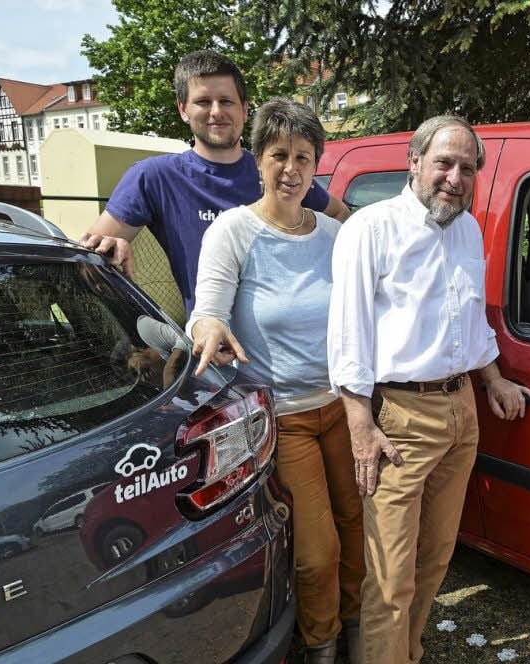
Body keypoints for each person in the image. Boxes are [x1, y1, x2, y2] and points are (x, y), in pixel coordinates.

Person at [327, 114, 530, 664]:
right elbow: (348, 338)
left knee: (434, 562)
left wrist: (492, 379)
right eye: (444, 163)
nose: (455, 177)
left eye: (467, 168)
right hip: (398, 418)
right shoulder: (369, 229)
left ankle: (407, 654)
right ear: (414, 161)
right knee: (391, 578)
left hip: (460, 409)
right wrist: (361, 428)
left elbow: (470, 324)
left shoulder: (467, 230)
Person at [187, 98, 361, 664]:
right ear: (258, 161)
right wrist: (208, 322)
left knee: (358, 531)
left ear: (317, 167)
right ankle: (321, 644)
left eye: (303, 157)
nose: (290, 169)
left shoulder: (336, 236)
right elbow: (207, 307)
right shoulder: (234, 232)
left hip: (344, 406)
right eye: (278, 155)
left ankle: (359, 629)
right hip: (284, 415)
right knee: (316, 552)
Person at [79, 49, 350, 316]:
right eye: (204, 102)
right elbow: (90, 263)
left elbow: (338, 214)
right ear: (183, 109)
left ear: (244, 110)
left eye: (226, 101)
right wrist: (109, 252)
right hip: (214, 343)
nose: (216, 112)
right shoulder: (154, 177)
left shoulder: (275, 171)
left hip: (288, 338)